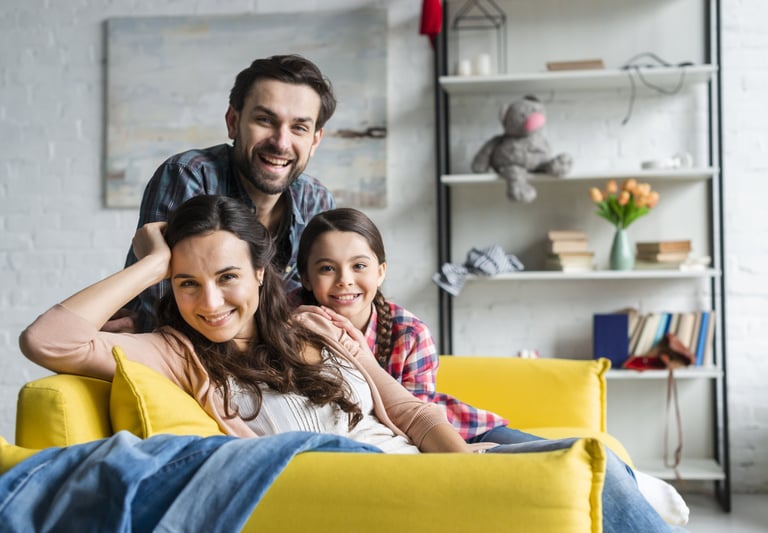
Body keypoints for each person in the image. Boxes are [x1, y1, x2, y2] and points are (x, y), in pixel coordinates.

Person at [20, 195, 679, 532]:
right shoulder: (179, 353)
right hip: (366, 487)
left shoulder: (314, 321)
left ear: (261, 271)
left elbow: (408, 409)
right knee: (600, 480)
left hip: (432, 468)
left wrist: (465, 469)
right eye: (188, 284)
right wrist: (153, 262)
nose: (209, 300)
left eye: (226, 276)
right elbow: (48, 338)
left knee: (600, 464)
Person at [293, 207, 689, 529]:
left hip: (462, 427)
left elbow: (417, 413)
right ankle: (634, 489)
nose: (345, 281)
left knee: (589, 457)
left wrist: (469, 447)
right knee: (572, 465)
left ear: (381, 271)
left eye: (359, 266)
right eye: (327, 268)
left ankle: (640, 489)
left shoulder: (407, 330)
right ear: (307, 278)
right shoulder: (297, 331)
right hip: (424, 446)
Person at [114, 54, 337, 333]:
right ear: (233, 121)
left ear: (315, 140)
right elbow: (165, 313)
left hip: (272, 364)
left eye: (299, 127)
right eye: (265, 120)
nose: (281, 142)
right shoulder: (188, 175)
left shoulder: (316, 199)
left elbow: (322, 311)